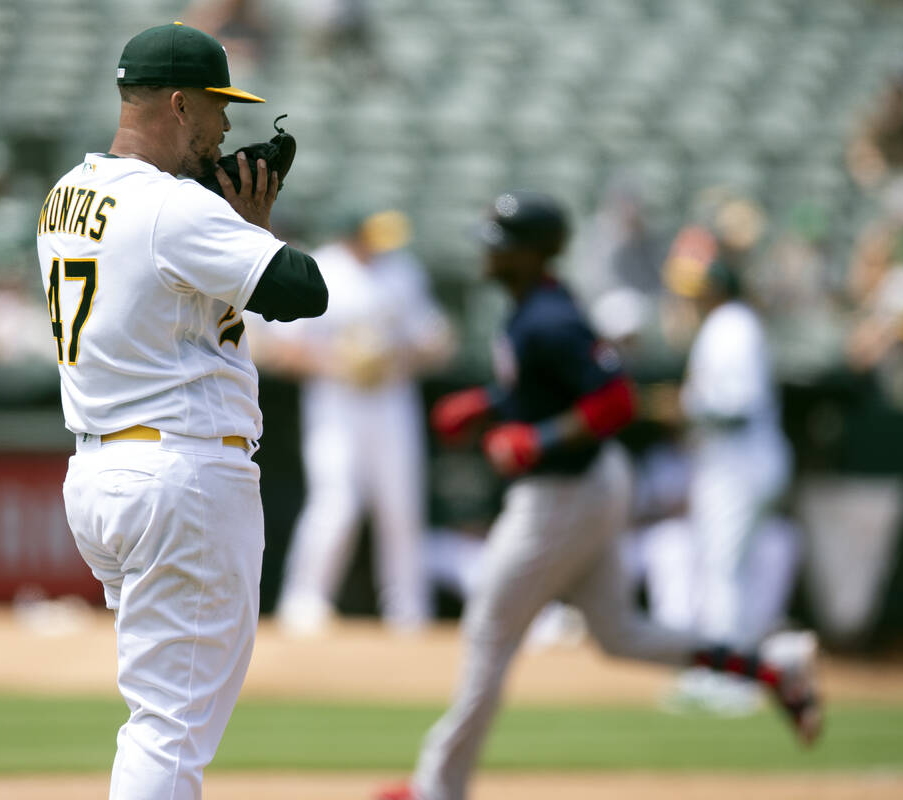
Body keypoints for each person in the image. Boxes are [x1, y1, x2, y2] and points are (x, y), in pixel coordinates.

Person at [376, 192, 820, 800]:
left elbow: (615, 400)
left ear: (534, 253)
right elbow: (547, 386)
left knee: (488, 630)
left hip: (566, 491)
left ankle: (436, 787)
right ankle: (769, 668)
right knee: (620, 634)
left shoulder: (549, 317)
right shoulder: (532, 308)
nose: (488, 250)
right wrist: (488, 406)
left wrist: (536, 438)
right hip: (589, 483)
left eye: (501, 242)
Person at [36, 23, 326, 799]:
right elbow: (305, 290)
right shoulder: (175, 210)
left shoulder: (66, 193)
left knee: (159, 712)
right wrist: (248, 231)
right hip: (181, 474)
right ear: (177, 103)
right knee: (169, 730)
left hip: (103, 472)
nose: (227, 127)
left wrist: (226, 233)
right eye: (215, 107)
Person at [256, 208, 454, 635]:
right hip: (336, 402)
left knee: (400, 505)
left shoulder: (402, 270)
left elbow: (436, 341)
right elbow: (280, 348)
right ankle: (305, 602)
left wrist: (396, 359)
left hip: (392, 399)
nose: (379, 243)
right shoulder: (322, 269)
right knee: (336, 504)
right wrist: (339, 363)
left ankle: (408, 609)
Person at [661, 224, 798, 713]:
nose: (689, 298)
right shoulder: (726, 325)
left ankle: (733, 679)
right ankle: (722, 670)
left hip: (742, 466)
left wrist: (683, 408)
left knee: (725, 570)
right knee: (722, 569)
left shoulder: (733, 325)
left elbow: (737, 406)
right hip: (733, 465)